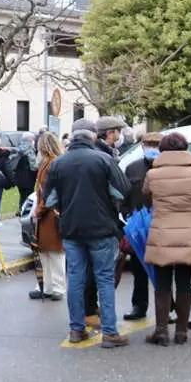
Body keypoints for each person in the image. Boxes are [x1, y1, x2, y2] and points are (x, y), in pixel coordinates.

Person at [42, 118, 131, 347]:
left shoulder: (58, 164)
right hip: (102, 228)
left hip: (71, 229)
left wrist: (65, 208)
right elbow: (122, 191)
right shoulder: (104, 159)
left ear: (72, 137)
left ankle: (76, 329)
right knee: (104, 279)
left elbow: (50, 199)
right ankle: (110, 332)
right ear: (93, 136)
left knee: (76, 279)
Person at [141, 133, 191, 346]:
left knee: (162, 283)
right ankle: (181, 332)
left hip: (162, 234)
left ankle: (161, 331)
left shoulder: (153, 174)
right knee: (184, 282)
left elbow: (146, 196)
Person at [120, 132, 163, 320]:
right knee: (139, 269)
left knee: (163, 270)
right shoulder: (133, 168)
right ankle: (139, 306)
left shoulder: (166, 168)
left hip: (162, 225)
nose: (152, 148)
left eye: (156, 145)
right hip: (139, 225)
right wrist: (125, 214)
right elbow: (124, 195)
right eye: (148, 145)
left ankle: (167, 308)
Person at [30, 132, 66, 300]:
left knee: (54, 252)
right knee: (45, 251)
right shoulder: (49, 163)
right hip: (47, 214)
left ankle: (56, 287)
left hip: (51, 214)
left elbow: (51, 192)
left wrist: (40, 208)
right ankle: (47, 286)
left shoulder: (51, 164)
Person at [13, 132, 39, 210]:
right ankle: (26, 212)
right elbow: (34, 166)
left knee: (22, 195)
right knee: (29, 196)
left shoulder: (18, 149)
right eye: (33, 139)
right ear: (30, 139)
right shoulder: (30, 150)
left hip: (18, 177)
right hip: (28, 178)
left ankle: (21, 209)